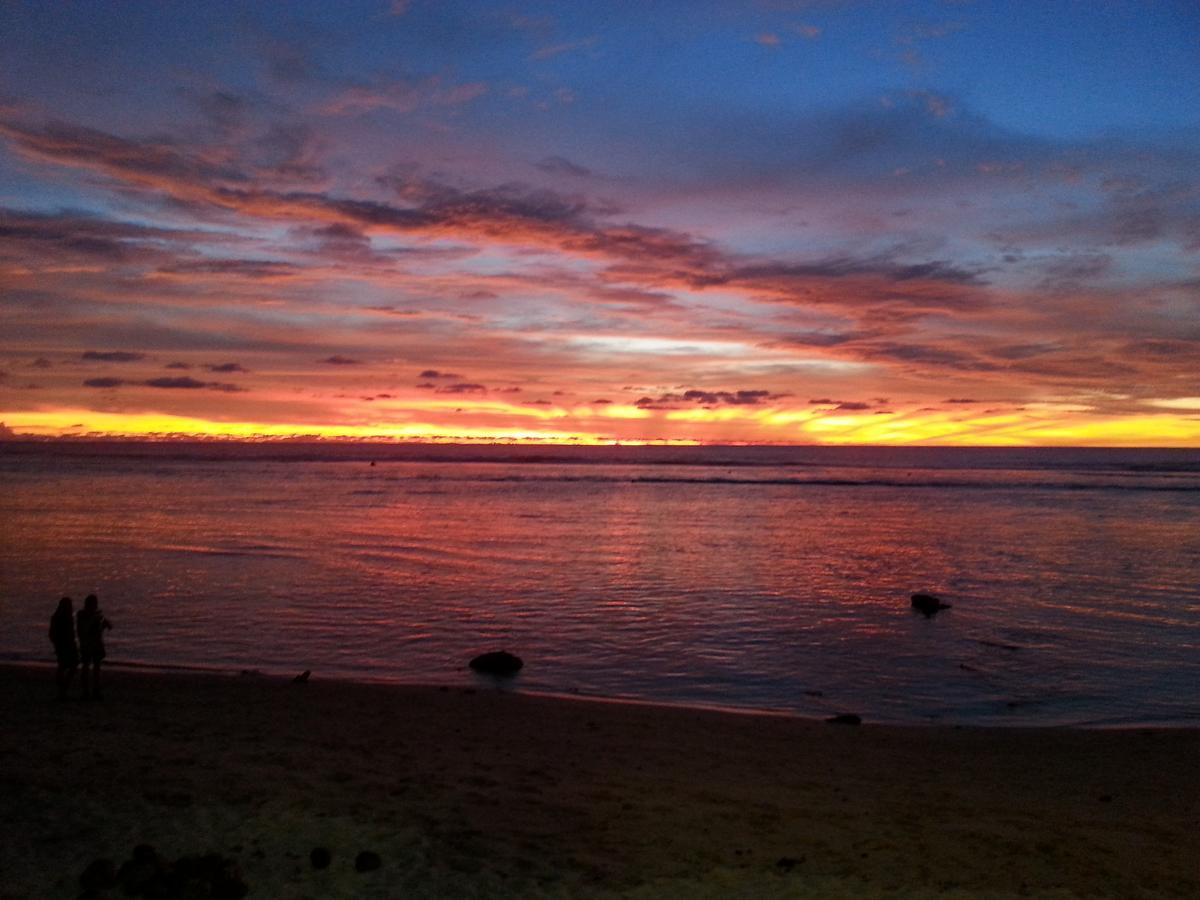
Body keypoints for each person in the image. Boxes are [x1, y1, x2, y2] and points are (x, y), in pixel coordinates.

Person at [77, 594, 112, 700]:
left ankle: (95, 690)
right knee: (86, 668)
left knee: (96, 668)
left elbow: (108, 626)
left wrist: (104, 623)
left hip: (96, 644)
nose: (95, 606)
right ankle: (86, 691)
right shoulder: (82, 615)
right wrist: (95, 620)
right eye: (94, 604)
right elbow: (84, 630)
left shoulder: (97, 615)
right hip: (87, 644)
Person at [49, 596, 79, 699]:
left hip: (68, 645)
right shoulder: (59, 617)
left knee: (68, 666)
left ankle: (62, 690)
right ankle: (62, 690)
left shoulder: (67, 617)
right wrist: (58, 644)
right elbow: (53, 633)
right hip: (64, 646)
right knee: (66, 666)